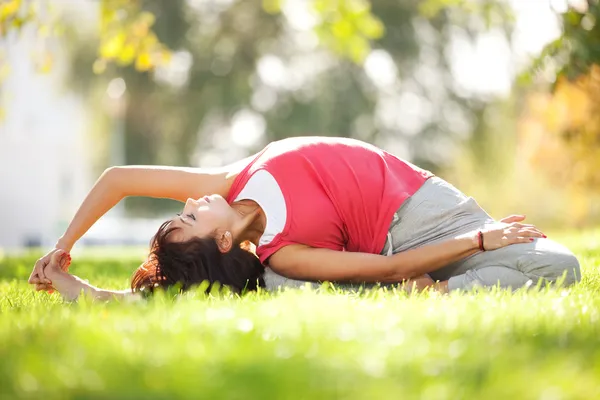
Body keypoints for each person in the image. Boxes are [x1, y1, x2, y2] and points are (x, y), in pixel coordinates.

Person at [28, 136, 580, 300]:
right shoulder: (283, 257)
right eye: (188, 219)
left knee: (558, 263)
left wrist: (63, 245)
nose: (189, 203)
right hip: (399, 250)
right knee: (562, 267)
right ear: (221, 238)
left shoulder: (228, 182)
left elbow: (120, 179)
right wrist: (480, 241)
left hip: (422, 203)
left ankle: (435, 288)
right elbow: (389, 268)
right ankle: (438, 295)